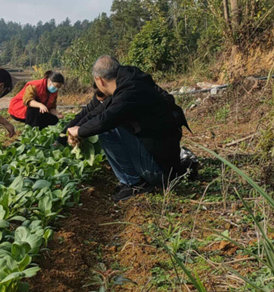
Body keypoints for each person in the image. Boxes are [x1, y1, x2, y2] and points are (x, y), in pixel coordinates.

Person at [64, 56, 190, 202]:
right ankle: (133, 180)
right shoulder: (132, 81)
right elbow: (97, 112)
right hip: (164, 161)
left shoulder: (129, 92)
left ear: (100, 80)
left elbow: (105, 120)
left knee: (106, 129)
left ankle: (134, 184)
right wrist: (68, 132)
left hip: (158, 171)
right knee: (107, 125)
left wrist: (78, 132)